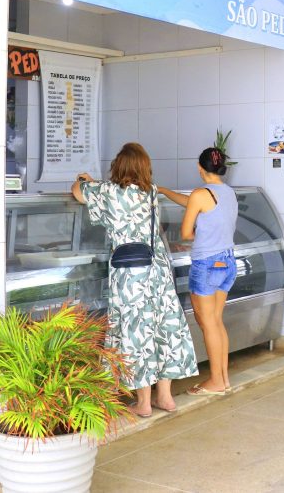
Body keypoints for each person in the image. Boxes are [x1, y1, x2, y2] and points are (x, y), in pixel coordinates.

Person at [72, 143, 198, 417]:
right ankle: (165, 397)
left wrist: (83, 179)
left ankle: (143, 402)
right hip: (158, 269)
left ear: (118, 165)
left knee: (136, 331)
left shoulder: (107, 191)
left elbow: (78, 193)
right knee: (164, 326)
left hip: (129, 273)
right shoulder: (151, 191)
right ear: (144, 167)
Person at [161, 147, 239, 396]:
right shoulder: (228, 192)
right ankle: (223, 379)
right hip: (227, 262)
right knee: (216, 321)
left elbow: (185, 233)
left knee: (208, 324)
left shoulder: (200, 194)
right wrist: (163, 191)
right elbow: (194, 202)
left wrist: (199, 238)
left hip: (206, 264)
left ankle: (215, 380)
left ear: (199, 167)